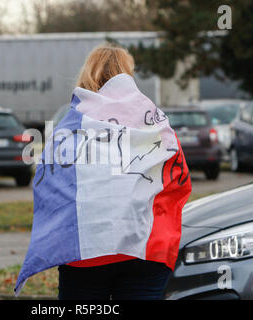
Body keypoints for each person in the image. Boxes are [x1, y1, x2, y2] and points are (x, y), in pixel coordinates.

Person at [15, 43, 191, 300]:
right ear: (128, 74)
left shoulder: (69, 128)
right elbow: (179, 180)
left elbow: (47, 186)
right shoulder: (155, 123)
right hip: (147, 248)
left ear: (88, 74)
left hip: (85, 252)